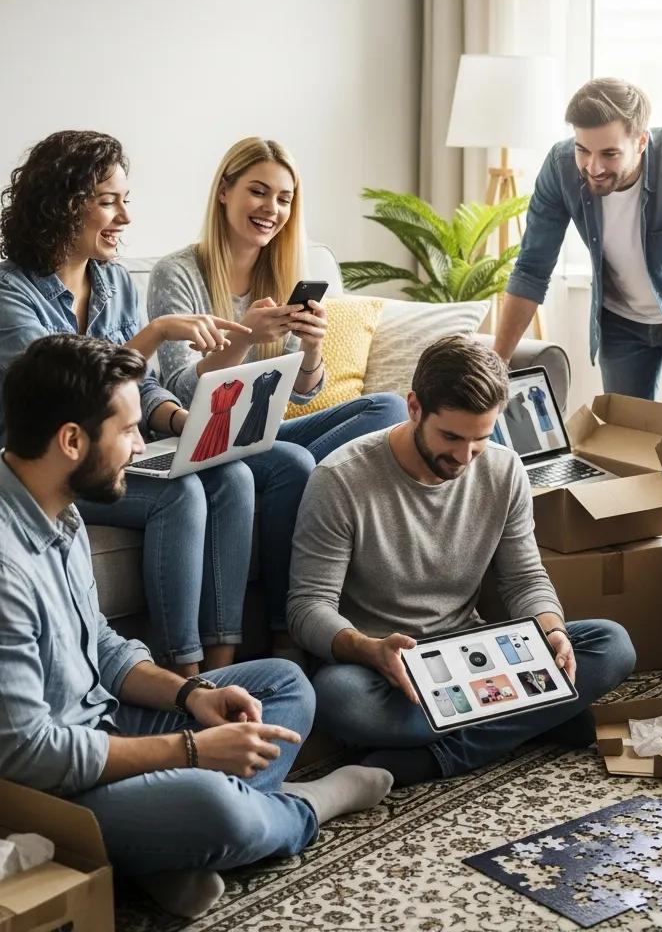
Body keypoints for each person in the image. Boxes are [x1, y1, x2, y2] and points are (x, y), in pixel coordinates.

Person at [0, 335, 392, 918]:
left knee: (284, 685)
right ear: (72, 440)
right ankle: (299, 807)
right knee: (218, 806)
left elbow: (102, 648)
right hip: (50, 788)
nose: (139, 448)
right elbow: (29, 753)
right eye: (129, 431)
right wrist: (188, 750)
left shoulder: (60, 506)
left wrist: (192, 694)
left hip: (105, 725)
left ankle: (165, 851)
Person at [288, 335, 636, 787]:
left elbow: (524, 578)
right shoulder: (340, 479)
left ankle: (431, 758)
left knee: (611, 645)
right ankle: (534, 720)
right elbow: (307, 608)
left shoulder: (503, 468)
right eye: (450, 436)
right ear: (414, 407)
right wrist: (368, 648)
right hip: (386, 671)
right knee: (339, 699)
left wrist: (549, 629)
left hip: (474, 656)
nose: (463, 457)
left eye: (480, 439)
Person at [0, 131, 258, 675]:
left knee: (232, 474)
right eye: (108, 201)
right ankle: (181, 672)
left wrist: (180, 419)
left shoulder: (113, 281)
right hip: (51, 465)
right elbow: (68, 394)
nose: (124, 217)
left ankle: (221, 663)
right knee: (179, 492)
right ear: (63, 206)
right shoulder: (10, 292)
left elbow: (139, 386)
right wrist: (157, 332)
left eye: (126, 200)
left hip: (122, 447)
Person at [148, 137, 408, 658]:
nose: (272, 209)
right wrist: (243, 335)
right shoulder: (177, 273)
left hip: (261, 430)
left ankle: (317, 491)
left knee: (390, 409)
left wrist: (311, 349)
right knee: (291, 461)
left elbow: (303, 395)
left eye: (284, 199)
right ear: (225, 191)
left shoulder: (281, 270)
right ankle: (287, 631)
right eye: (258, 192)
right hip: (199, 436)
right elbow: (180, 389)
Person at [492, 78, 662, 538]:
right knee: (626, 447)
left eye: (609, 154)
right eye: (583, 150)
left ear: (641, 141)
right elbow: (531, 270)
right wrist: (496, 362)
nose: (592, 166)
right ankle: (636, 566)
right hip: (620, 324)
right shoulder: (561, 167)